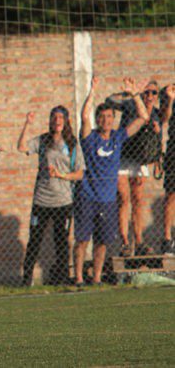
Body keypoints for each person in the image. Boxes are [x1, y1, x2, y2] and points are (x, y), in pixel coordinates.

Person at [74, 77, 149, 286]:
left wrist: (135, 95)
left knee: (102, 242)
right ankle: (79, 279)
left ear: (113, 119)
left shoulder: (117, 137)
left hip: (107, 200)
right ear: (98, 119)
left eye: (109, 117)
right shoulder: (90, 139)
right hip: (88, 196)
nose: (106, 120)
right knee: (82, 240)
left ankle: (96, 278)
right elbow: (83, 116)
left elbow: (143, 117)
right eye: (103, 117)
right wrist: (92, 91)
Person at [17, 106, 85, 286]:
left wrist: (61, 175)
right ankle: (26, 280)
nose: (57, 121)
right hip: (42, 200)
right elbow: (22, 147)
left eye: (61, 117)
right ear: (50, 120)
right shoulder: (43, 140)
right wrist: (27, 124)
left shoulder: (72, 144)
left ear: (66, 120)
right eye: (54, 117)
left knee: (61, 241)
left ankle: (62, 279)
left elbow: (79, 173)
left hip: (63, 201)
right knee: (35, 240)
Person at [107, 80, 162, 254]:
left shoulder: (156, 113)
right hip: (123, 157)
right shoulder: (131, 105)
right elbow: (109, 101)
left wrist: (157, 160)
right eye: (146, 92)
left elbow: (156, 141)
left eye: (154, 93)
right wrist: (129, 93)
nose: (150, 96)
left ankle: (138, 242)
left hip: (140, 161)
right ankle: (124, 242)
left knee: (137, 201)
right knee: (124, 199)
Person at [160, 84, 175, 254]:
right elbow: (165, 118)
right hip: (173, 153)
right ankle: (167, 238)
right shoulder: (169, 93)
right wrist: (170, 100)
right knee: (171, 195)